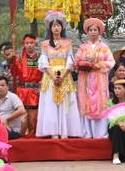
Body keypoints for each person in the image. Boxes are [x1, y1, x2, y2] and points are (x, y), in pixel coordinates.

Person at [35, 10, 81, 139]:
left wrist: (63, 76)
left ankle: (66, 131)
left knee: (66, 101)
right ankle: (53, 131)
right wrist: (53, 77)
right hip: (50, 76)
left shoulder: (68, 43)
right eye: (54, 25)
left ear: (62, 27)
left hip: (65, 75)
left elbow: (70, 60)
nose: (56, 28)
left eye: (58, 25)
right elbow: (44, 62)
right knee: (50, 102)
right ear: (50, 28)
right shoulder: (44, 44)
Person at [74, 18, 115, 139]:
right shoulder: (82, 47)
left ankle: (100, 133)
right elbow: (76, 61)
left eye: (95, 30)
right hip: (85, 78)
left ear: (99, 31)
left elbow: (111, 61)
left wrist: (100, 64)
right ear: (87, 32)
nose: (93, 32)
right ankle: (86, 132)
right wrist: (83, 64)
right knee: (86, 100)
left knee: (99, 102)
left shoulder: (104, 47)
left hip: (99, 78)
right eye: (90, 30)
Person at [7, 34, 42, 136]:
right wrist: (11, 60)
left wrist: (42, 87)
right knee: (22, 117)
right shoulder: (19, 58)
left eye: (31, 43)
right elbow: (14, 73)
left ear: (35, 44)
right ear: (24, 44)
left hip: (35, 91)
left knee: (34, 117)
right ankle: (22, 137)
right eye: (27, 43)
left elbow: (45, 74)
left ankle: (34, 137)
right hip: (22, 90)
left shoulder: (41, 58)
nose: (29, 45)